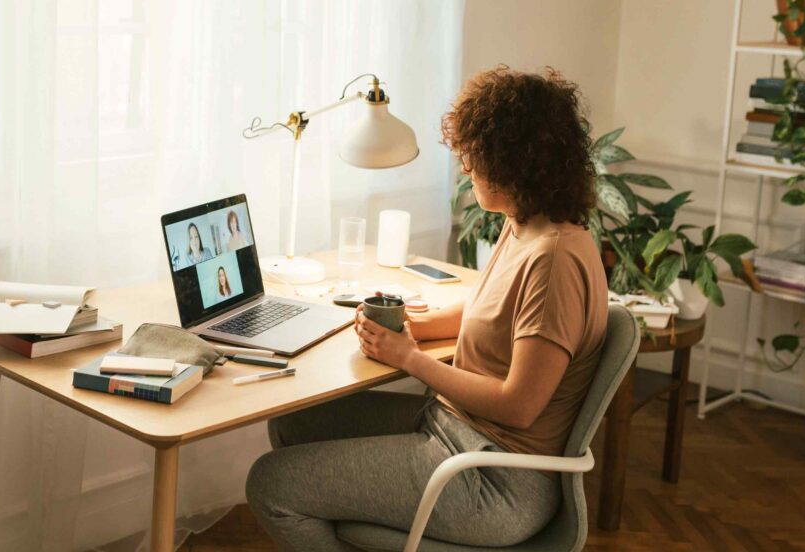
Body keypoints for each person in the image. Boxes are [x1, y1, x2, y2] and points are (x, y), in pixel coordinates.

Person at [246, 65, 608, 550]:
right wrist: (409, 324)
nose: (465, 169)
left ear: (511, 163)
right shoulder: (523, 225)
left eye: (473, 157)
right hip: (454, 429)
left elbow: (519, 407)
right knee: (292, 424)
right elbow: (494, 310)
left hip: (496, 479)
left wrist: (410, 359)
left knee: (272, 485)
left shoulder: (555, 258)